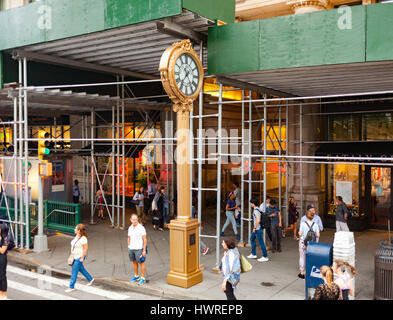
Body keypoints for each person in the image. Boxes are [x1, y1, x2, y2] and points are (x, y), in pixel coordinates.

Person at [66, 224, 94, 293]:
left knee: (74, 272)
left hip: (79, 257)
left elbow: (85, 249)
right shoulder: (77, 236)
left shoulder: (83, 239)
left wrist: (82, 258)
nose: (74, 229)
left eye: (75, 229)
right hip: (74, 256)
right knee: (81, 269)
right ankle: (90, 279)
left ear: (79, 230)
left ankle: (71, 287)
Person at [298, 205, 320, 279]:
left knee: (302, 257)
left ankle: (302, 272)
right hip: (312, 244)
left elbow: (300, 234)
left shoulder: (303, 223)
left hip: (303, 243)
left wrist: (299, 241)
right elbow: (318, 235)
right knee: (310, 258)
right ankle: (309, 271)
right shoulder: (316, 224)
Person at [128, 213, 147, 286]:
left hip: (139, 248)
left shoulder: (141, 228)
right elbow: (129, 237)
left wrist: (144, 250)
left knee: (141, 262)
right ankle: (136, 276)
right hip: (131, 248)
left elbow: (145, 239)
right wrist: (129, 245)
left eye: (136, 219)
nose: (134, 221)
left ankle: (142, 278)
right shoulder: (130, 227)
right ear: (131, 220)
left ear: (137, 219)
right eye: (133, 219)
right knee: (134, 261)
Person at [0, 224, 10, 300]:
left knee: (2, 276)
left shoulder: (6, 238)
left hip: (2, 258)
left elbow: (2, 251)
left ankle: (3, 294)